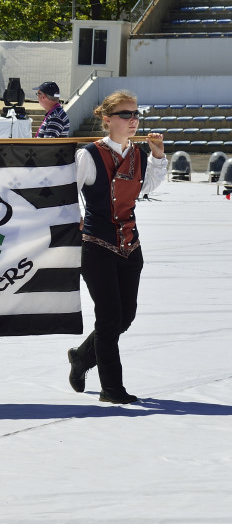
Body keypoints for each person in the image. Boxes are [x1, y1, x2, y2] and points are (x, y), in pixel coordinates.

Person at [67, 91, 166, 405]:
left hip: (130, 245)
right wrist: (77, 220)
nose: (133, 120)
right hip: (96, 245)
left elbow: (145, 188)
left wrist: (159, 156)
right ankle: (112, 388)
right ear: (107, 119)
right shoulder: (89, 154)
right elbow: (68, 191)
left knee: (125, 317)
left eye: (136, 114)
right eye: (126, 115)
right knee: (109, 318)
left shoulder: (138, 153)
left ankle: (82, 357)